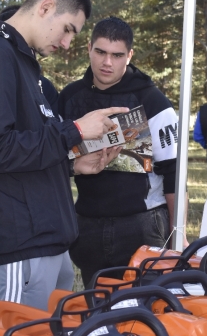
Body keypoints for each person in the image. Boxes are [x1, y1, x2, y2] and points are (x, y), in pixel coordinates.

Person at [0, 0, 125, 323]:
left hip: (46, 240)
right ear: (46, 7)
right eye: (69, 29)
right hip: (16, 244)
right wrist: (75, 130)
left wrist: (71, 164)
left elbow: (25, 148)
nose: (69, 44)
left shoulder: (25, 64)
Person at [58, 16, 187, 287]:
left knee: (143, 313)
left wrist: (179, 232)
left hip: (142, 225)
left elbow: (175, 171)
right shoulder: (69, 98)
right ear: (89, 48)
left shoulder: (152, 100)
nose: (107, 62)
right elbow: (53, 160)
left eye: (117, 55)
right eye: (101, 52)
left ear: (129, 55)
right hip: (87, 225)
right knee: (96, 311)